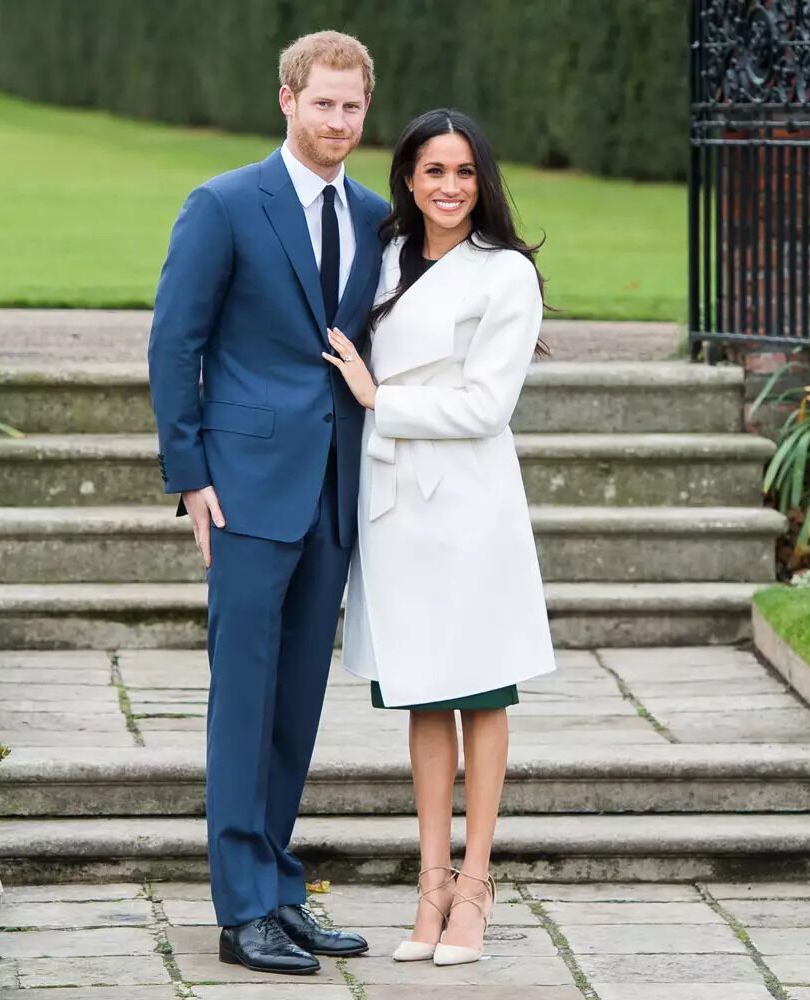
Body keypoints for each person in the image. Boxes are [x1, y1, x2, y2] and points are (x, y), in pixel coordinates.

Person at [147, 30, 389, 976]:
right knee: (242, 698)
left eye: (353, 106)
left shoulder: (375, 215)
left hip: (334, 488)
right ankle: (241, 906)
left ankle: (281, 892)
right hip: (244, 491)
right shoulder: (224, 204)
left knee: (295, 704)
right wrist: (189, 473)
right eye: (323, 103)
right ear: (287, 100)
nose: (339, 121)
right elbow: (177, 342)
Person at [323, 108, 557, 967]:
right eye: (432, 171)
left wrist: (385, 400)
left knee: (482, 689)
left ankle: (477, 887)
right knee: (421, 691)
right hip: (393, 504)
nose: (449, 187)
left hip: (468, 505)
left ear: (481, 179)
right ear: (409, 180)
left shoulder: (505, 277)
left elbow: (486, 407)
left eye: (463, 171)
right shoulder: (381, 253)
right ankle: (429, 883)